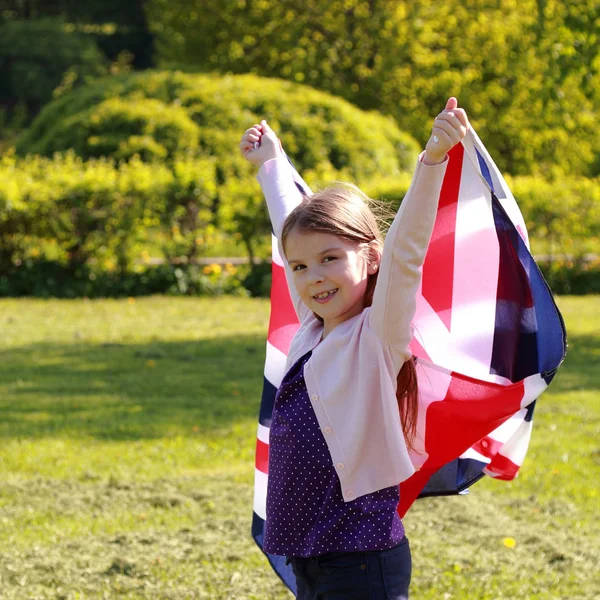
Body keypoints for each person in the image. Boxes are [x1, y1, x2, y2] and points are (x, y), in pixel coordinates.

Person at [239, 98, 469, 600]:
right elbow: (287, 230)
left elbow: (407, 253)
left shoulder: (379, 336)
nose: (314, 276)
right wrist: (272, 165)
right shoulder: (312, 329)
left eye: (329, 259)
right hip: (312, 557)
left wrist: (432, 161)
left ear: (368, 256)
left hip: (361, 562)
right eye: (301, 268)